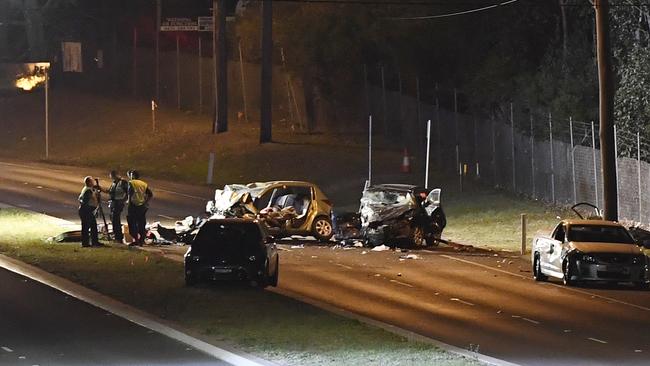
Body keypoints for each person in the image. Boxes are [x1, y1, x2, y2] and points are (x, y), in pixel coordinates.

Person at [126, 170, 153, 246]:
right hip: (142, 206)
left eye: (130, 175)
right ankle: (141, 240)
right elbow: (150, 194)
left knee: (132, 223)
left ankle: (136, 239)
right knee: (141, 223)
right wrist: (145, 201)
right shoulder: (143, 184)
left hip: (133, 205)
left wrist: (129, 203)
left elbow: (129, 194)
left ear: (133, 176)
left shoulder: (131, 183)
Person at [101, 170, 128, 243]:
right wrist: (100, 188)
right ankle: (117, 236)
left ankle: (118, 237)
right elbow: (109, 191)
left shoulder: (122, 182)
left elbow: (128, 192)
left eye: (112, 176)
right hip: (113, 203)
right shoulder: (114, 183)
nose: (111, 177)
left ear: (116, 175)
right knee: (113, 220)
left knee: (116, 220)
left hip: (118, 203)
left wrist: (123, 200)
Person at [78, 176, 101, 247]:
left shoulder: (87, 189)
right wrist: (90, 211)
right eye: (92, 181)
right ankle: (85, 243)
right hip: (87, 211)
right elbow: (85, 201)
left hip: (87, 210)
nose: (93, 182)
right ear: (89, 182)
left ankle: (95, 242)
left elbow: (80, 198)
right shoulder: (88, 190)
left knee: (93, 226)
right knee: (86, 227)